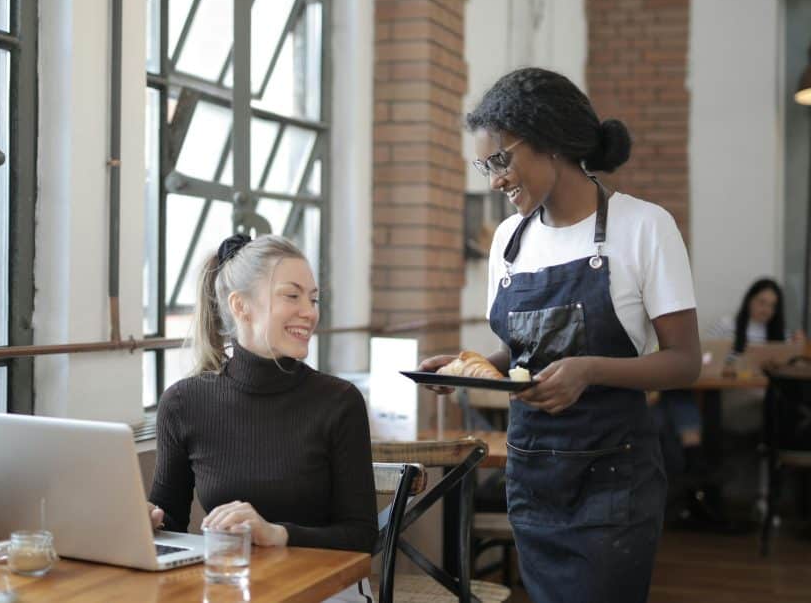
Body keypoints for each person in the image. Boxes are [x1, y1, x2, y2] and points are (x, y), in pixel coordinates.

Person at [423, 67, 701, 603]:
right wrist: (473, 366)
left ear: (549, 143)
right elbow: (523, 350)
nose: (494, 180)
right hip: (533, 479)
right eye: (485, 166)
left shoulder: (644, 227)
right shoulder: (508, 240)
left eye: (500, 160)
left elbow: (685, 361)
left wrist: (591, 369)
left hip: (612, 481)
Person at [148, 233, 377, 602]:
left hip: (325, 591)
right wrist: (144, 521)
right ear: (241, 306)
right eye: (292, 295)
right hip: (229, 588)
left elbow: (362, 536)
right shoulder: (182, 403)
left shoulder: (339, 402)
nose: (310, 311)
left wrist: (277, 534)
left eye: (314, 298)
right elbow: (169, 522)